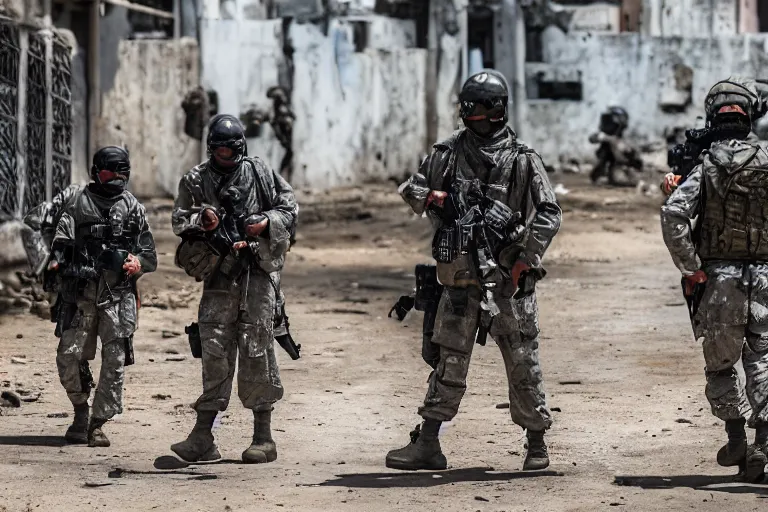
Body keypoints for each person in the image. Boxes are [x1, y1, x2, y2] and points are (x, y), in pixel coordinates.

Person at [386, 70, 562, 471]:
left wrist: (524, 259)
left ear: (498, 111)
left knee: (523, 364)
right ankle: (428, 443)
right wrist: (434, 197)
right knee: (449, 362)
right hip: (461, 279)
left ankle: (536, 445)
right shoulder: (446, 153)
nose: (474, 117)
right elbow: (410, 188)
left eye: (481, 110)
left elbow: (549, 212)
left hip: (507, 283)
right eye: (469, 109)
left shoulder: (522, 160)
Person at [171, 114, 298, 464]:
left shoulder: (260, 173)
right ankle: (202, 437)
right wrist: (203, 220)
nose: (226, 155)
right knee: (214, 349)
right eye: (220, 150)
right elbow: (179, 219)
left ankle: (263, 437)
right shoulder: (196, 179)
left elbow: (289, 209)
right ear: (211, 149)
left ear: (242, 147)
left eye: (232, 150)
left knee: (257, 347)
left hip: (257, 273)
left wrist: (264, 223)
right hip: (218, 275)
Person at [661, 77, 768, 482]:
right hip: (766, 279)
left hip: (720, 280)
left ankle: (736, 435)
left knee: (721, 365)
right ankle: (765, 441)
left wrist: (691, 267)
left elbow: (673, 214)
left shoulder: (706, 164)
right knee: (763, 360)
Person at [22, 146, 157, 447]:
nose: (116, 178)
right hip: (79, 294)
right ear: (96, 172)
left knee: (115, 363)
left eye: (122, 173)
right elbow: (32, 223)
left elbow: (150, 255)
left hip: (117, 297)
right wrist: (48, 262)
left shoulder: (133, 207)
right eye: (110, 172)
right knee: (69, 357)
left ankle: (98, 423)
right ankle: (80, 411)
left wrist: (137, 264)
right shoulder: (73, 199)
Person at [588, 106, 643, 187]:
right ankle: (603, 174)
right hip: (612, 166)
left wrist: (611, 140)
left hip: (626, 169)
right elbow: (592, 138)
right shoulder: (605, 137)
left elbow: (633, 159)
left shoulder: (625, 140)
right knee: (603, 152)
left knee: (622, 178)